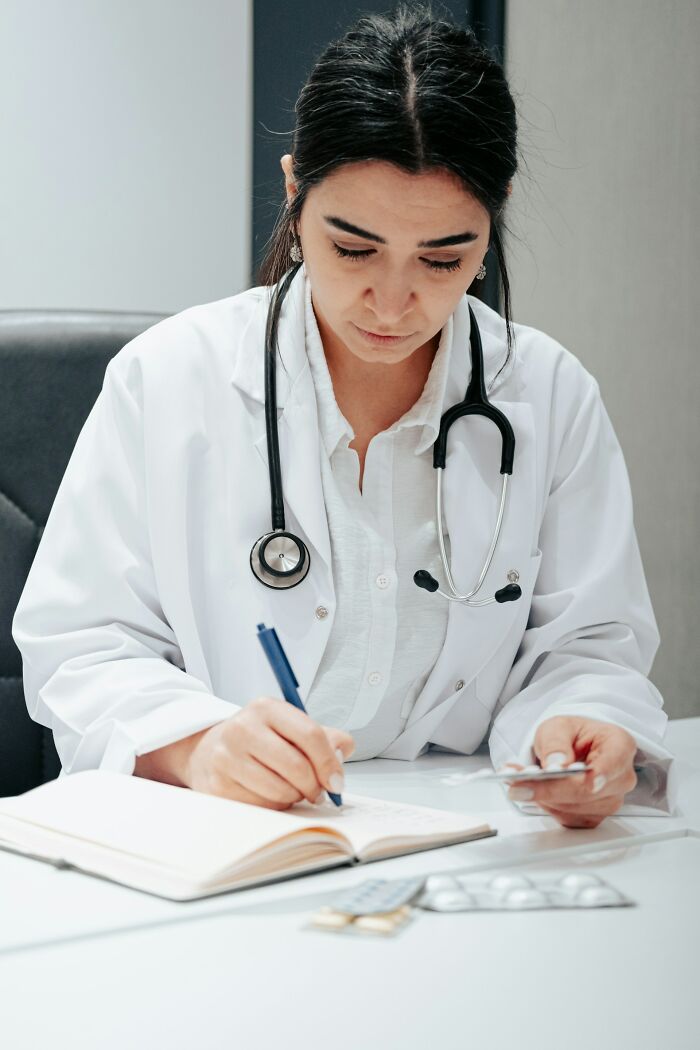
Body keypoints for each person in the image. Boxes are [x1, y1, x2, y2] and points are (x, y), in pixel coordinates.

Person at [12, 3, 673, 828]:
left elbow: (589, 646)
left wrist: (581, 728)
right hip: (233, 840)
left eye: (446, 259)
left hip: (471, 839)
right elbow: (81, 645)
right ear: (294, 191)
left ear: (493, 218)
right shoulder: (171, 377)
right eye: (353, 248)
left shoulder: (547, 393)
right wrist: (198, 744)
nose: (394, 302)